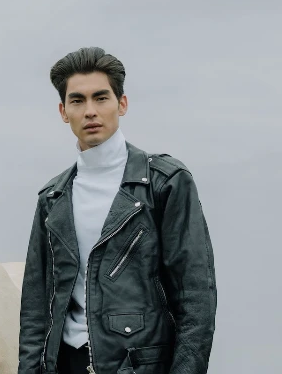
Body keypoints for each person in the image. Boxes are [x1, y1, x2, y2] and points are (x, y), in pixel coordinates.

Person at [18, 47, 217, 374]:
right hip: (67, 362)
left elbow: (196, 300)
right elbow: (36, 309)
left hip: (139, 365)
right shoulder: (52, 198)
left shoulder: (165, 183)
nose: (90, 111)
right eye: (77, 101)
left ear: (121, 104)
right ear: (63, 111)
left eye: (101, 98)